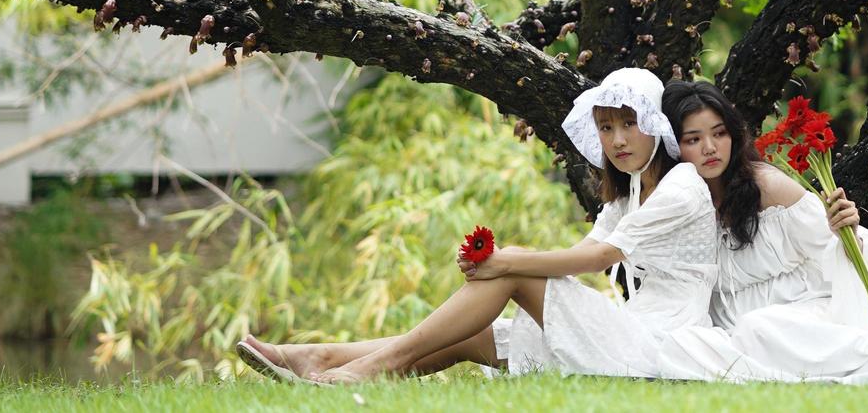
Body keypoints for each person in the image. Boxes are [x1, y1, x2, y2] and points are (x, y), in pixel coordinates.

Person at [238, 67, 727, 384]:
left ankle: (366, 370)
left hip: (663, 344)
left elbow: (601, 258)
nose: (617, 140)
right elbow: (584, 251)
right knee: (479, 335)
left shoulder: (682, 183)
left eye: (628, 124)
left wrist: (508, 261)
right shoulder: (632, 187)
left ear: (654, 124)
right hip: (638, 327)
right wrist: (496, 263)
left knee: (514, 273)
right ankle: (320, 358)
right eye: (606, 128)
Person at [663, 79, 868, 383]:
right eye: (693, 140)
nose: (710, 148)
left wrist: (845, 228)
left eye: (719, 133)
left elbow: (838, 249)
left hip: (802, 318)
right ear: (675, 147)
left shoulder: (766, 185)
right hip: (732, 330)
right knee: (681, 342)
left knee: (758, 328)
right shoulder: (680, 201)